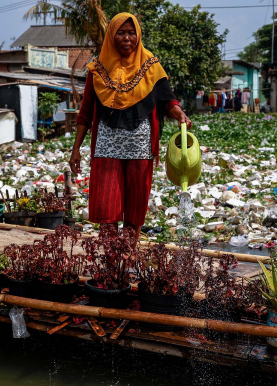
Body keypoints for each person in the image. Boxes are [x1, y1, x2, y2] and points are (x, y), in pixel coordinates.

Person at [69, 13, 192, 239]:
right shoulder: (97, 69)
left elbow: (167, 101)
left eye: (131, 32)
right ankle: (110, 262)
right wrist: (76, 149)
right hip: (107, 147)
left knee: (134, 210)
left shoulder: (151, 66)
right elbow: (85, 112)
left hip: (140, 147)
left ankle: (128, 259)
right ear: (111, 36)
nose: (127, 38)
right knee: (107, 210)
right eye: (121, 32)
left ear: (138, 35)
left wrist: (179, 114)